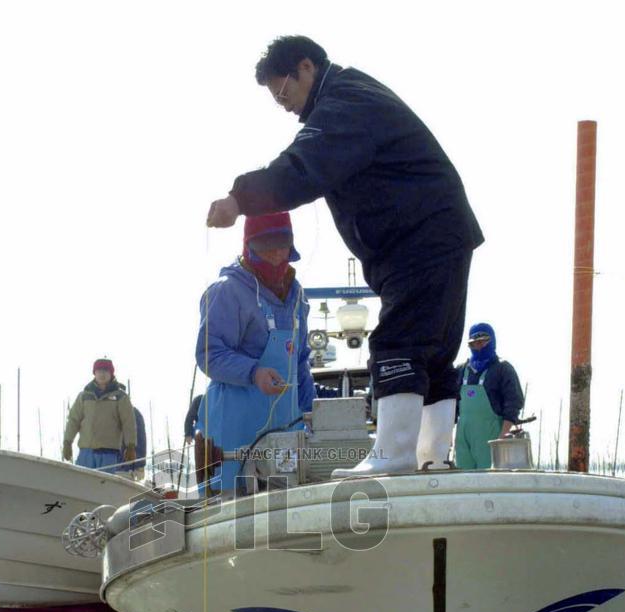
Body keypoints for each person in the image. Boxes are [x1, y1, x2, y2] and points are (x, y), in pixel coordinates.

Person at [206, 35, 483, 477]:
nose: (283, 103)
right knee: (433, 354)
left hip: (418, 238)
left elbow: (302, 167)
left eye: (283, 90)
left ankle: (393, 458)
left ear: (306, 68)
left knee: (399, 343)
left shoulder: (344, 105)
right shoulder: (354, 97)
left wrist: (240, 200)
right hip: (440, 233)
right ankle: (431, 458)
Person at [195, 211, 315, 493]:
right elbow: (208, 354)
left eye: (282, 244)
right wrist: (253, 372)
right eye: (265, 246)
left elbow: (300, 362)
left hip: (288, 431)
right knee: (232, 515)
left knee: (290, 513)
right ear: (249, 246)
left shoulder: (297, 296)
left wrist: (312, 414)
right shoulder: (226, 292)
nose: (275, 253)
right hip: (234, 431)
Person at [455, 323, 525, 469]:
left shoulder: (502, 368)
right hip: (463, 440)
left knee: (489, 483)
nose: (478, 346)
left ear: (492, 341)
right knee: (463, 481)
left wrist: (502, 439)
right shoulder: (461, 370)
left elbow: (514, 403)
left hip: (492, 439)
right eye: (473, 344)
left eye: (482, 342)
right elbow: (451, 408)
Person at [62, 359, 137, 471]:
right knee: (81, 484)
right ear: (94, 373)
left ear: (111, 373)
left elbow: (128, 423)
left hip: (109, 454)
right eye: (99, 371)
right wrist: (67, 442)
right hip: (86, 453)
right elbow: (73, 420)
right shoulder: (84, 396)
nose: (102, 374)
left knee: (104, 486)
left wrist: (130, 445)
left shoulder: (120, 397)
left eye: (106, 371)